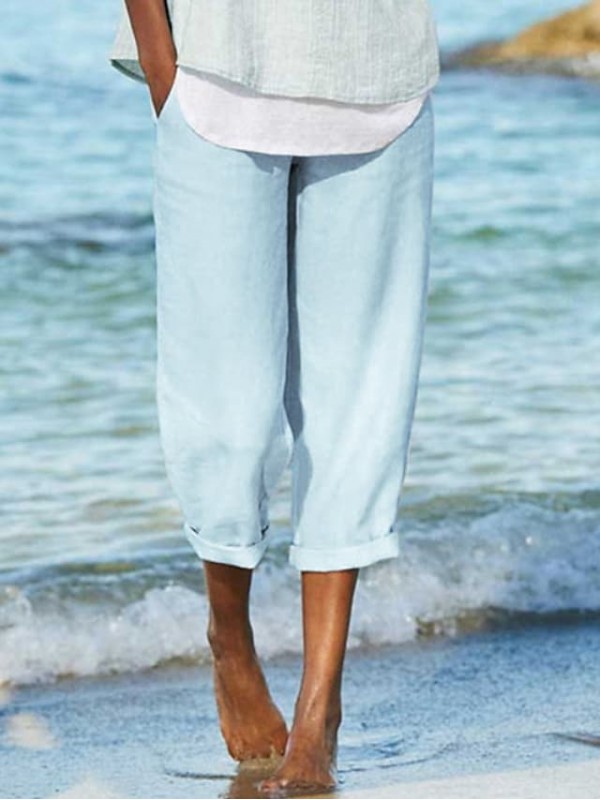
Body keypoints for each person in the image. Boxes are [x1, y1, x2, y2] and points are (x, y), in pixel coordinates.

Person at [110, 0, 439, 794]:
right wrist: (161, 66)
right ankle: (230, 638)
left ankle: (320, 708)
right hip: (214, 72)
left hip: (380, 78)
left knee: (358, 413)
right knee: (229, 422)